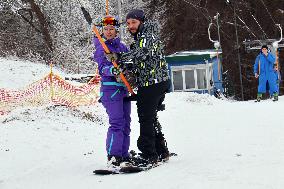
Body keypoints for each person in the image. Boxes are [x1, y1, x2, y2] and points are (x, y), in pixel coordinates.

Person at [119, 9, 171, 166]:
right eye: (128, 23)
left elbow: (141, 54)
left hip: (152, 83)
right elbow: (142, 60)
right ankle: (161, 150)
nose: (131, 26)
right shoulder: (143, 35)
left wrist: (120, 57)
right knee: (152, 116)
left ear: (142, 21)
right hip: (155, 82)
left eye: (134, 22)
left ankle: (149, 154)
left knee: (145, 117)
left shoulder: (147, 36)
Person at [93, 15, 131, 169]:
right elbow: (102, 68)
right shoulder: (101, 47)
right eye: (106, 29)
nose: (108, 32)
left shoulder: (122, 47)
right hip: (110, 89)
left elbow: (128, 63)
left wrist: (128, 68)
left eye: (111, 29)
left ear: (116, 30)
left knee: (126, 123)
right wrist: (113, 69)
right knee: (116, 123)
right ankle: (113, 157)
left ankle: (123, 155)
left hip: (123, 89)